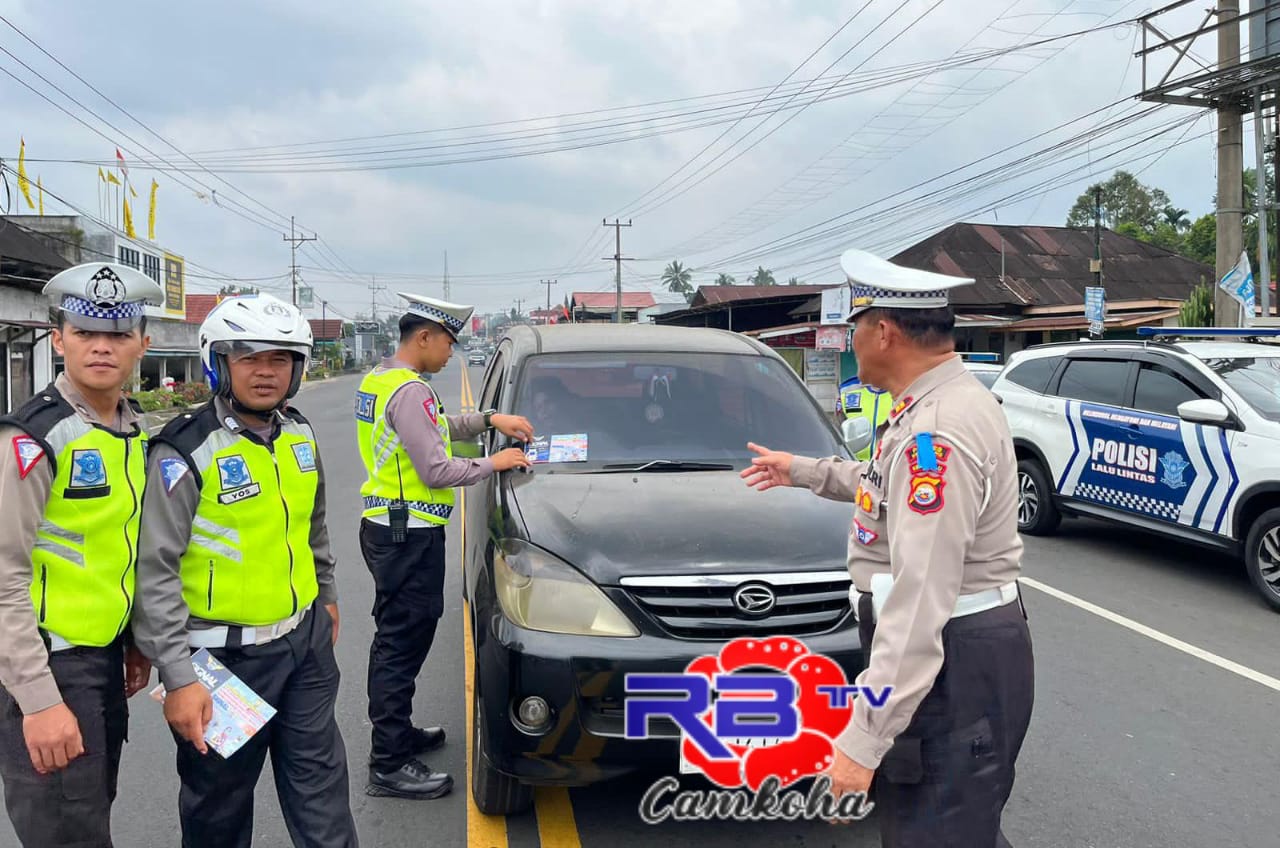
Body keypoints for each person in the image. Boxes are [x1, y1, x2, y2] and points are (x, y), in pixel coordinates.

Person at [742, 249, 1034, 847]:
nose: (850, 340)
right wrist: (800, 469)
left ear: (884, 332)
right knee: (956, 826)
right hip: (960, 651)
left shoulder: (936, 433)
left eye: (854, 327)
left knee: (936, 829)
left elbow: (920, 598)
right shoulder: (931, 407)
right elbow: (882, 486)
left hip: (952, 657)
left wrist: (861, 743)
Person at [131, 293, 358, 848]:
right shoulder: (184, 449)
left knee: (323, 799)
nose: (265, 372)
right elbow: (155, 570)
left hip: (303, 648)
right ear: (219, 362)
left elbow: (313, 526)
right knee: (219, 814)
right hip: (222, 662)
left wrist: (325, 594)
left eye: (280, 359)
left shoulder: (299, 434)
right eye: (249, 357)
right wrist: (178, 677)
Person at [0, 263, 160, 848]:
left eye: (118, 333)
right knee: (67, 834)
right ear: (57, 336)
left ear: (142, 343)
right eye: (85, 331)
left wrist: (136, 641)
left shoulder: (130, 428)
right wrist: (38, 701)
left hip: (101, 662)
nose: (101, 346)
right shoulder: (31, 438)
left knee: (90, 816)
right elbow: (3, 579)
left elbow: (121, 546)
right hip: (46, 668)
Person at [354, 293, 532, 800]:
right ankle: (388, 763)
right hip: (406, 533)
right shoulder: (409, 391)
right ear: (424, 337)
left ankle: (397, 733)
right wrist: (493, 464)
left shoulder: (382, 380)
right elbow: (436, 467)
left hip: (391, 528)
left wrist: (487, 421)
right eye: (449, 343)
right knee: (400, 644)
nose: (451, 353)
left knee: (399, 637)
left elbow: (436, 432)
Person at [838, 376, 893, 461]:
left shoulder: (904, 389)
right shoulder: (848, 389)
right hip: (855, 465)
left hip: (890, 464)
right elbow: (839, 430)